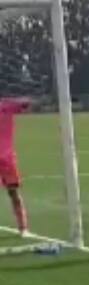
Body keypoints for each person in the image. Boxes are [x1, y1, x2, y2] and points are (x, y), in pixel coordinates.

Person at [0, 98, 31, 236]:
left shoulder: (7, 105)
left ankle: (23, 228)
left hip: (7, 159)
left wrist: (25, 101)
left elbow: (27, 103)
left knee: (14, 193)